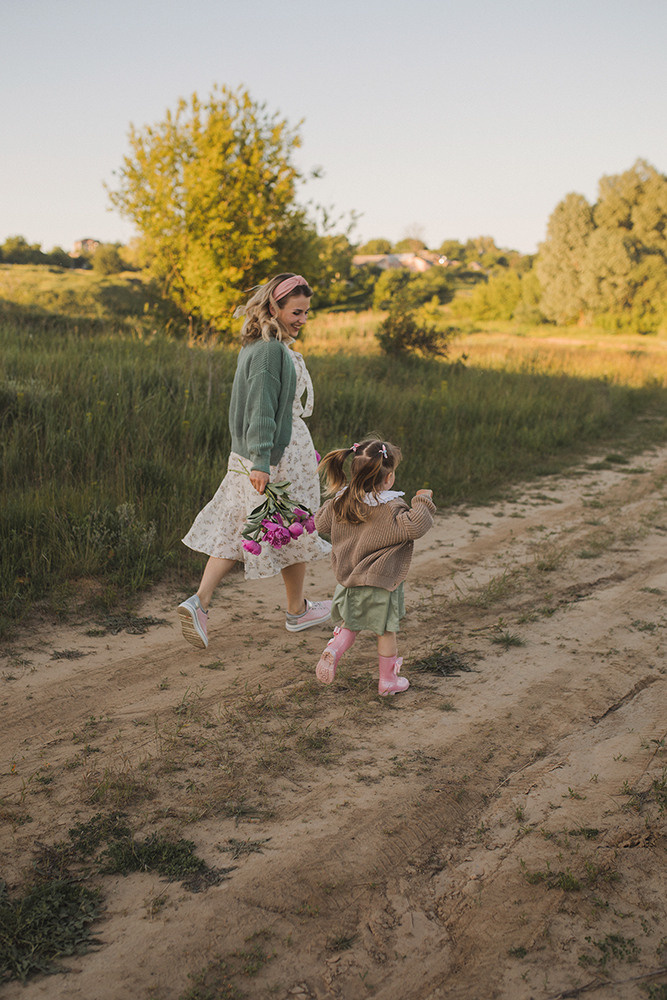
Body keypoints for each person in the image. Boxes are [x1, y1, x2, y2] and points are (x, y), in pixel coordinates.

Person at [178, 273, 332, 649]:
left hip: (255, 453)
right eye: (296, 312)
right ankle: (295, 611)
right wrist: (263, 460)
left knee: (242, 527)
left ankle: (202, 602)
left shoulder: (257, 346)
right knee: (293, 526)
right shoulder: (269, 351)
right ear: (274, 308)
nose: (302, 319)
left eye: (306, 312)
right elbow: (261, 409)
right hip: (274, 455)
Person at [314, 438, 436, 696]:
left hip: (349, 581)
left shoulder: (342, 502)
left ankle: (333, 649)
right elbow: (416, 526)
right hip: (381, 583)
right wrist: (422, 500)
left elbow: (321, 524)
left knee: (350, 624)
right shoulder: (391, 508)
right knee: (385, 631)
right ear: (388, 478)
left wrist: (339, 496)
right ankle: (387, 681)